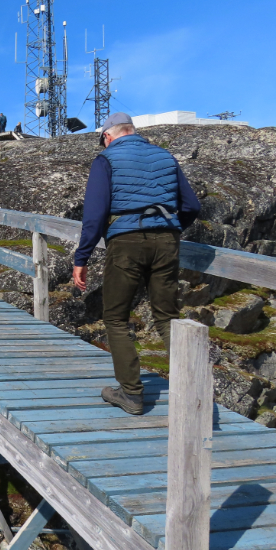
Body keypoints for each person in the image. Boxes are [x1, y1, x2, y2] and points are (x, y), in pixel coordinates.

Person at [72, 112, 201, 415]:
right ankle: (190, 390)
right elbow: (191, 205)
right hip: (167, 240)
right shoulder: (165, 156)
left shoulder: (106, 160)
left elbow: (94, 214)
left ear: (108, 136)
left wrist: (82, 258)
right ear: (132, 131)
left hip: (126, 242)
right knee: (168, 317)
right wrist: (171, 228)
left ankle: (131, 394)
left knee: (116, 317)